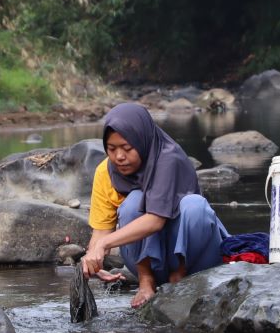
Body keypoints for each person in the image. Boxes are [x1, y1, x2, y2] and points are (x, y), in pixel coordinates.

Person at [82, 102, 228, 307]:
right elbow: (101, 231)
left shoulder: (168, 159)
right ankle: (146, 281)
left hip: (196, 256)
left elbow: (155, 221)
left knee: (194, 206)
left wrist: (104, 245)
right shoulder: (105, 171)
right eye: (112, 149)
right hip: (149, 264)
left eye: (127, 148)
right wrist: (93, 260)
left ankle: (180, 277)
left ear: (142, 142)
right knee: (132, 202)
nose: (119, 157)